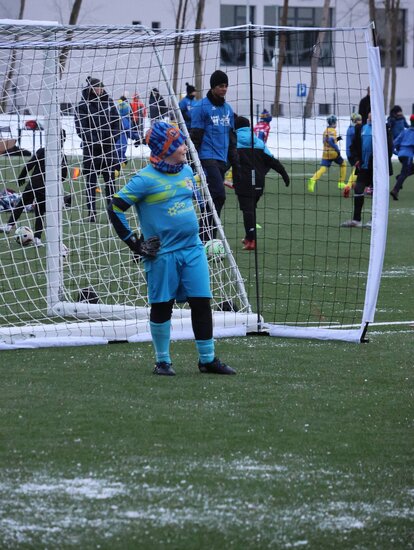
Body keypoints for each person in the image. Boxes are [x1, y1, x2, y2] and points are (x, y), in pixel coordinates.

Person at [107, 121, 235, 376]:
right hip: (162, 254)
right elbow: (115, 207)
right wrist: (134, 243)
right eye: (179, 144)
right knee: (162, 305)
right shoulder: (144, 179)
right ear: (165, 149)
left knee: (202, 302)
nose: (185, 148)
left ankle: (207, 359)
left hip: (193, 249)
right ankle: (162, 362)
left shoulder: (186, 171)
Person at [189, 69, 240, 241]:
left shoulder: (228, 109)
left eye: (226, 86)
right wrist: (192, 162)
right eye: (220, 86)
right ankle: (206, 236)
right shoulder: (201, 107)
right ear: (212, 87)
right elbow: (195, 136)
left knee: (214, 198)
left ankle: (205, 237)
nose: (224, 89)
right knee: (219, 194)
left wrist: (235, 163)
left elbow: (231, 138)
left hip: (222, 160)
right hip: (207, 157)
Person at [0, 130, 69, 245]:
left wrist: (22, 176)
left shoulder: (42, 151)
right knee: (40, 212)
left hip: (34, 184)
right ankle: (37, 239)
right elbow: (63, 176)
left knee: (21, 205)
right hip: (47, 187)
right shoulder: (62, 156)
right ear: (63, 141)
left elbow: (30, 164)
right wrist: (54, 182)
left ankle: (9, 226)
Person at [234, 116, 290, 250]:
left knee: (247, 211)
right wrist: (284, 174)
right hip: (258, 182)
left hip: (242, 182)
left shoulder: (233, 142)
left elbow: (227, 161)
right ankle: (248, 236)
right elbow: (272, 161)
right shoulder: (258, 142)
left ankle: (251, 240)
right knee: (251, 209)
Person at [75, 76, 122, 222]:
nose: (99, 89)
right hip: (91, 151)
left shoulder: (109, 103)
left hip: (108, 150)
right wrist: (96, 141)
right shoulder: (82, 106)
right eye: (96, 87)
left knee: (110, 183)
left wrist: (110, 139)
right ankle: (91, 213)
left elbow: (117, 124)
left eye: (101, 87)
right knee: (91, 183)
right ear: (90, 89)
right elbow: (81, 129)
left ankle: (112, 213)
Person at [341, 112, 393, 227]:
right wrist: (356, 159)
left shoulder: (384, 130)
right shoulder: (362, 128)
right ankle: (356, 220)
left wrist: (381, 163)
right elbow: (353, 147)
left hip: (377, 168)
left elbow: (389, 149)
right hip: (363, 167)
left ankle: (374, 221)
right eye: (369, 113)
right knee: (358, 189)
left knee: (376, 192)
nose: (371, 114)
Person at [308, 115, 347, 193]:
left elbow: (326, 141)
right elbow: (330, 141)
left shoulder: (325, 131)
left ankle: (313, 179)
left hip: (325, 153)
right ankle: (341, 182)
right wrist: (337, 149)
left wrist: (338, 139)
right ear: (333, 123)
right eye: (335, 122)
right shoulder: (333, 131)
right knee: (343, 164)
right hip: (333, 153)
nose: (336, 124)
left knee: (323, 169)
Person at [390, 114, 414, 200]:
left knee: (408, 170)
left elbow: (394, 143)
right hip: (408, 156)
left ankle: (399, 177)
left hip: (401, 155)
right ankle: (395, 190)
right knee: (404, 172)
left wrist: (397, 152)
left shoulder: (405, 131)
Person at [116, 94, 140, 165]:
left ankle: (118, 167)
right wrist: (137, 137)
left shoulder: (116, 119)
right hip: (122, 145)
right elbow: (130, 133)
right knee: (121, 159)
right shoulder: (126, 121)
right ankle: (118, 168)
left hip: (114, 144)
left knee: (116, 159)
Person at [344, 112, 363, 192]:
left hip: (351, 153)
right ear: (355, 121)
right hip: (352, 153)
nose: (360, 121)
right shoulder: (353, 130)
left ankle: (353, 184)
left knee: (358, 170)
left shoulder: (351, 128)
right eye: (359, 120)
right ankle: (348, 186)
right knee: (358, 169)